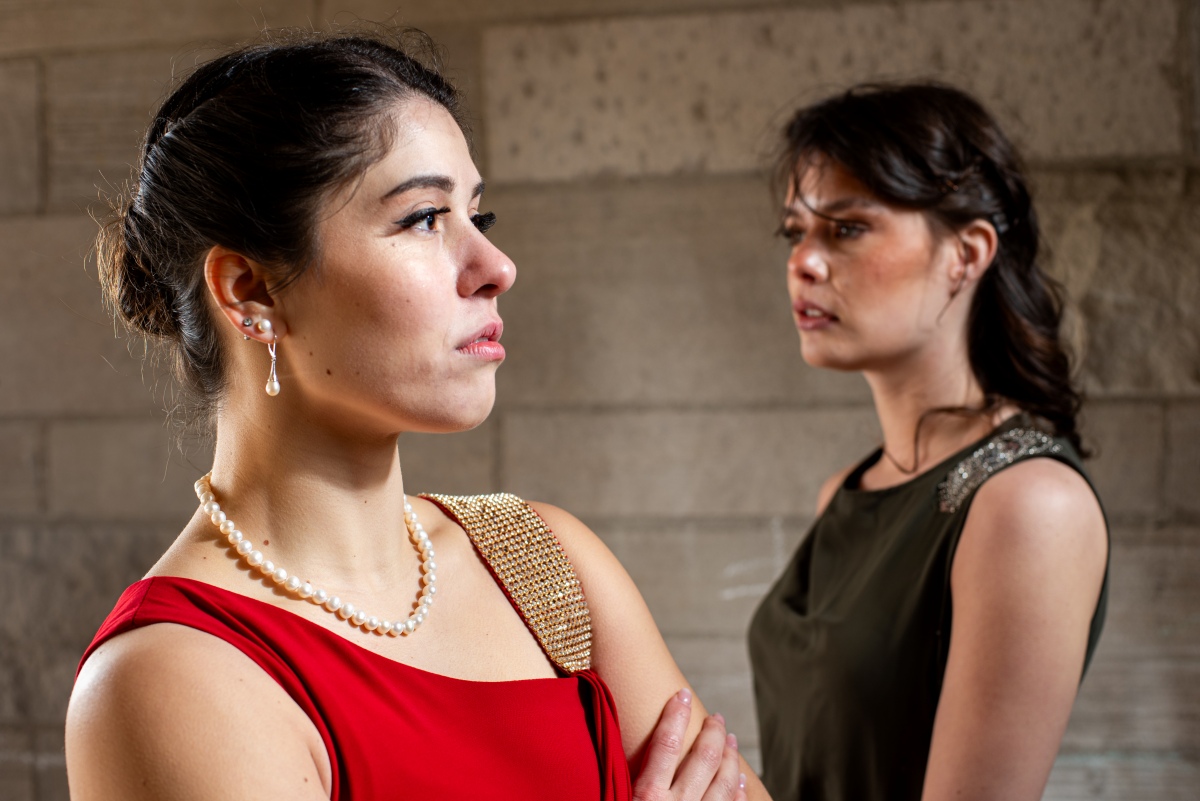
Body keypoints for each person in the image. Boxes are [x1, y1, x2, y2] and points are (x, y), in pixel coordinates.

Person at [65, 30, 767, 801]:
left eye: (479, 216)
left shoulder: (546, 564)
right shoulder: (171, 674)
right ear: (251, 290)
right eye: (424, 218)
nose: (496, 268)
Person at [747, 82, 1109, 801]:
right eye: (796, 232)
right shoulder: (845, 492)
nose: (804, 262)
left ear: (966, 254)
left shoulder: (1029, 506)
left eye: (847, 228)